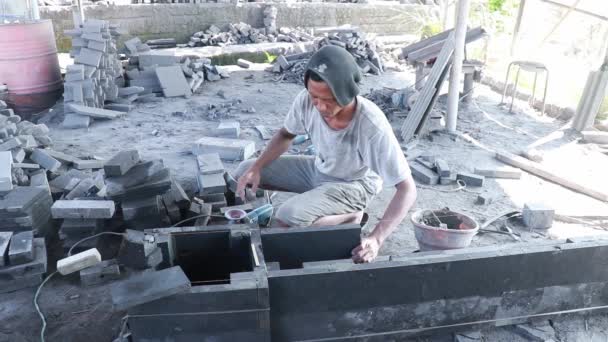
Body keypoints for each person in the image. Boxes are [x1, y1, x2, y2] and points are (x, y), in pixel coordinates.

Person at [234, 45, 417, 263]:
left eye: (328, 100)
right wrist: (256, 168)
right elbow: (285, 135)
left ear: (347, 92)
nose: (320, 106)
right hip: (320, 169)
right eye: (314, 97)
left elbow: (407, 189)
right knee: (243, 171)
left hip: (354, 183)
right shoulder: (305, 100)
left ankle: (352, 216)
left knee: (287, 217)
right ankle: (323, 206)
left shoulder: (371, 125)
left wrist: (376, 238)